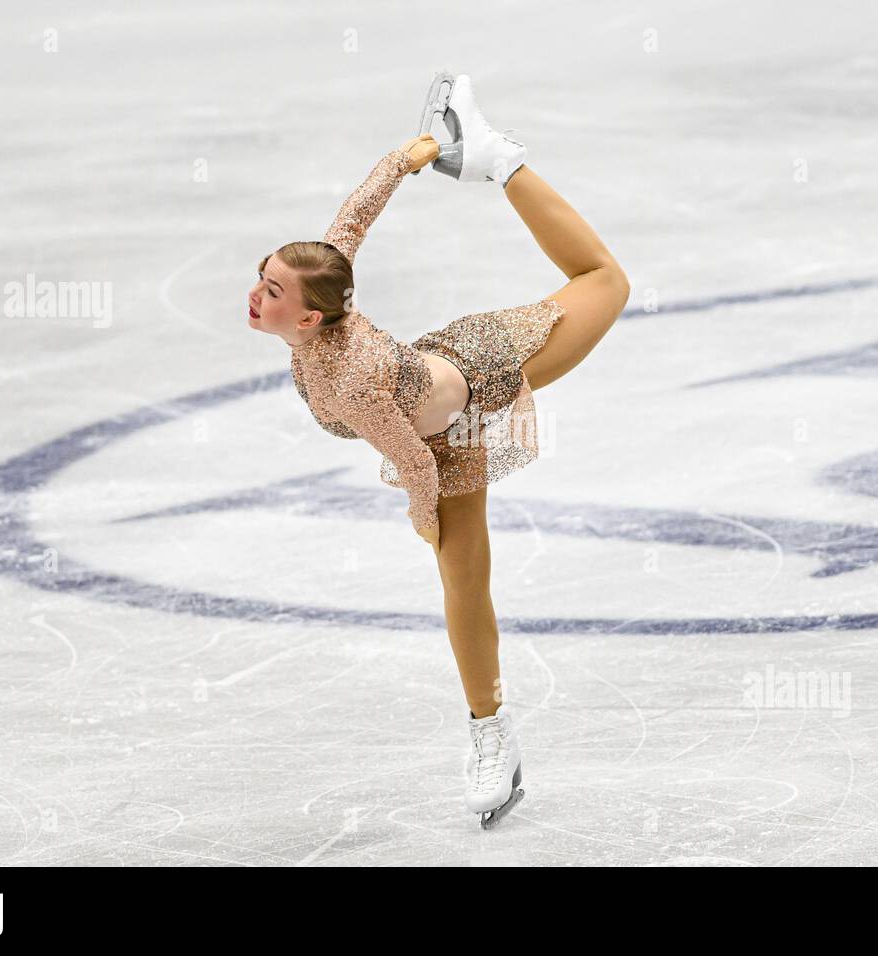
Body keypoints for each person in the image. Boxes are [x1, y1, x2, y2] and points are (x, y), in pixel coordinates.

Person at [246, 73, 629, 826]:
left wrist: (424, 519)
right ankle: (491, 731)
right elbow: (352, 221)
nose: (257, 294)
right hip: (438, 406)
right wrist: (407, 156)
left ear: (311, 322)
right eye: (262, 279)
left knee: (605, 282)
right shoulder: (326, 292)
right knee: (466, 580)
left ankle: (498, 157)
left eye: (271, 290)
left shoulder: (351, 379)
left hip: (486, 368)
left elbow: (415, 465)